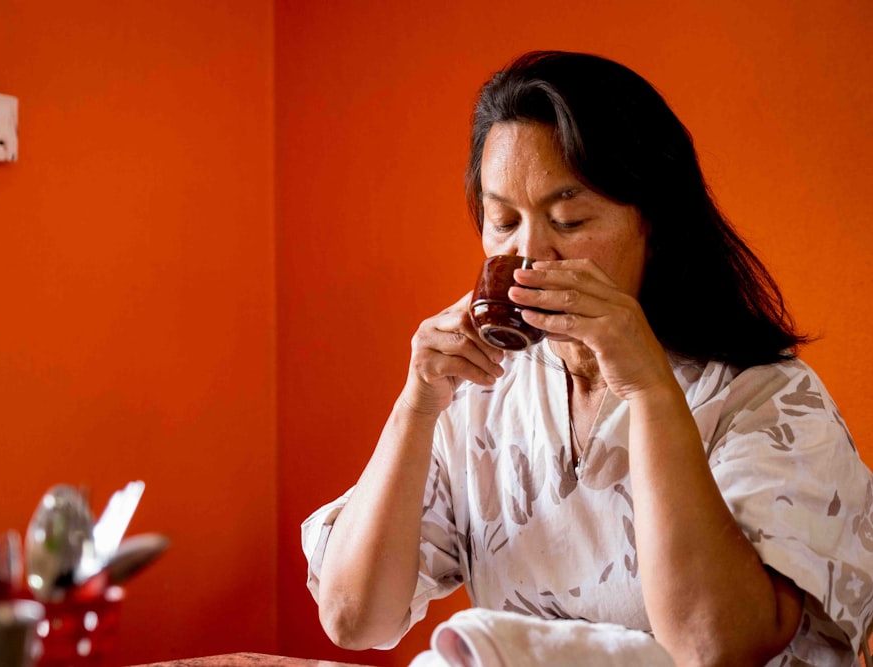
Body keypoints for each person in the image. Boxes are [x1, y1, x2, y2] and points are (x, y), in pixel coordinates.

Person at [301, 50, 873, 667]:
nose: (529, 253)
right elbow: (354, 618)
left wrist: (650, 390)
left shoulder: (766, 400)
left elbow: (717, 643)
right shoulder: (480, 395)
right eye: (502, 221)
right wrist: (416, 407)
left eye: (568, 220)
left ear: (654, 221)